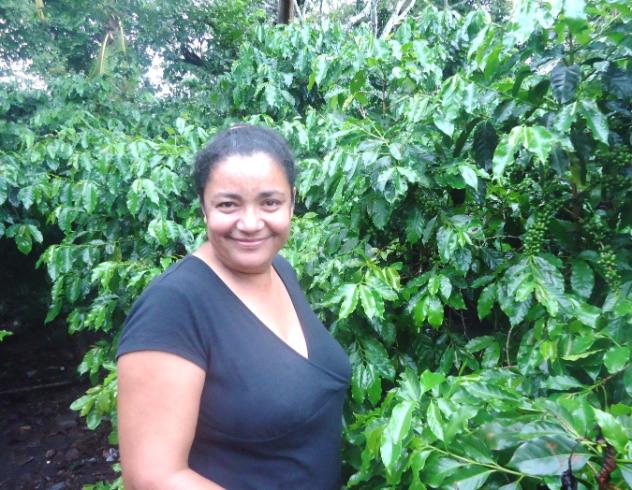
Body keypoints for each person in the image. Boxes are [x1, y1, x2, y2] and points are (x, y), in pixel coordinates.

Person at [116, 124, 351, 490]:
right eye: (228, 204)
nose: (251, 224)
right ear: (203, 207)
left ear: (292, 201)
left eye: (269, 202)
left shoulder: (280, 271)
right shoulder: (173, 306)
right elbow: (152, 478)